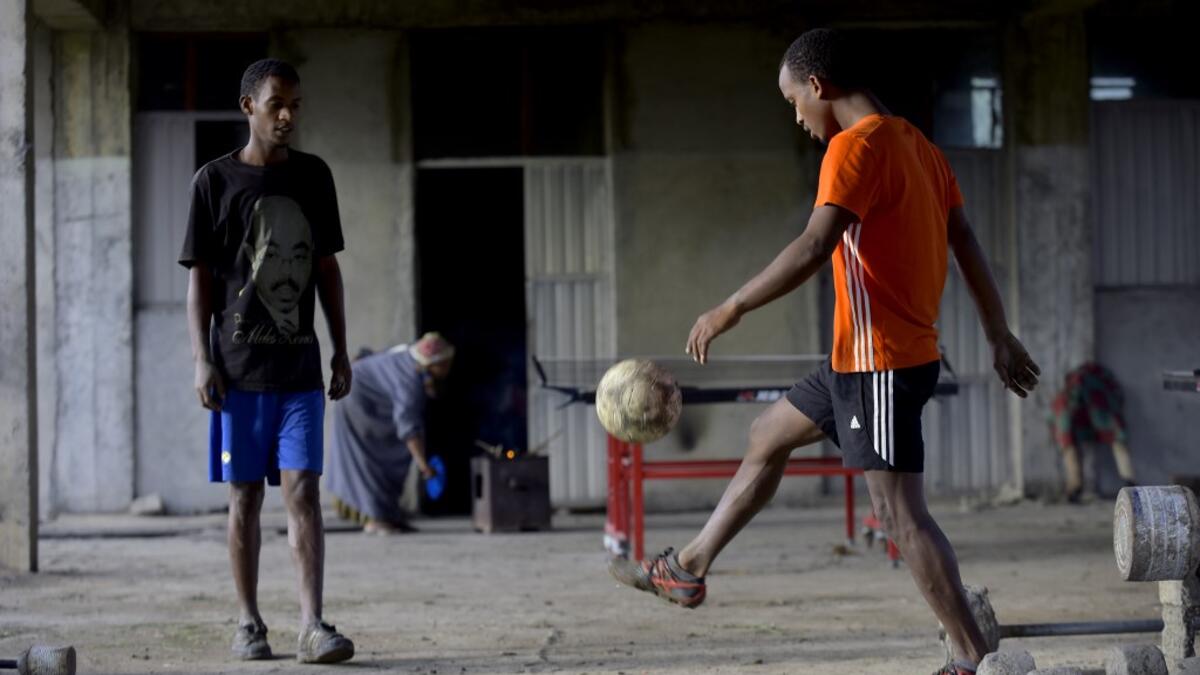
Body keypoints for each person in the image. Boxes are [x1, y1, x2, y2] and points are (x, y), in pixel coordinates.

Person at [608, 29, 1040, 675]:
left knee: (899, 514)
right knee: (767, 434)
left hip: (881, 364)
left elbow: (814, 245)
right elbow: (967, 240)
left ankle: (971, 658)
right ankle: (689, 567)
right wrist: (997, 332)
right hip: (860, 361)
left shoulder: (853, 147)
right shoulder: (918, 146)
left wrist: (731, 307)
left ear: (818, 86)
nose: (798, 118)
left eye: (793, 102)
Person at [180, 58, 356, 664]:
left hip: (300, 372)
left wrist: (339, 348)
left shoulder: (314, 177)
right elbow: (200, 280)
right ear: (248, 105)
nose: (288, 115)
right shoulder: (214, 183)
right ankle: (249, 622)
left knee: (302, 491)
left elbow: (328, 272)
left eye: (296, 105)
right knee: (245, 499)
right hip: (237, 375)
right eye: (277, 102)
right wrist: (203, 359)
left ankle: (312, 624)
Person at [326, 333, 455, 534]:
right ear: (432, 364)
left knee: (384, 458)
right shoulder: (409, 380)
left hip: (360, 393)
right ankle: (375, 518)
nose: (448, 367)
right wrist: (424, 466)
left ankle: (388, 514)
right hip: (358, 400)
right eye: (445, 363)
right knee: (374, 461)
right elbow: (408, 427)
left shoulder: (411, 355)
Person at [1050, 362, 1136, 503]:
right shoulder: (1069, 399)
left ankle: (1075, 488)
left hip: (1091, 415)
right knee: (1071, 449)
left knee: (1071, 449)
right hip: (1078, 418)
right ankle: (1075, 488)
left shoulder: (1092, 389)